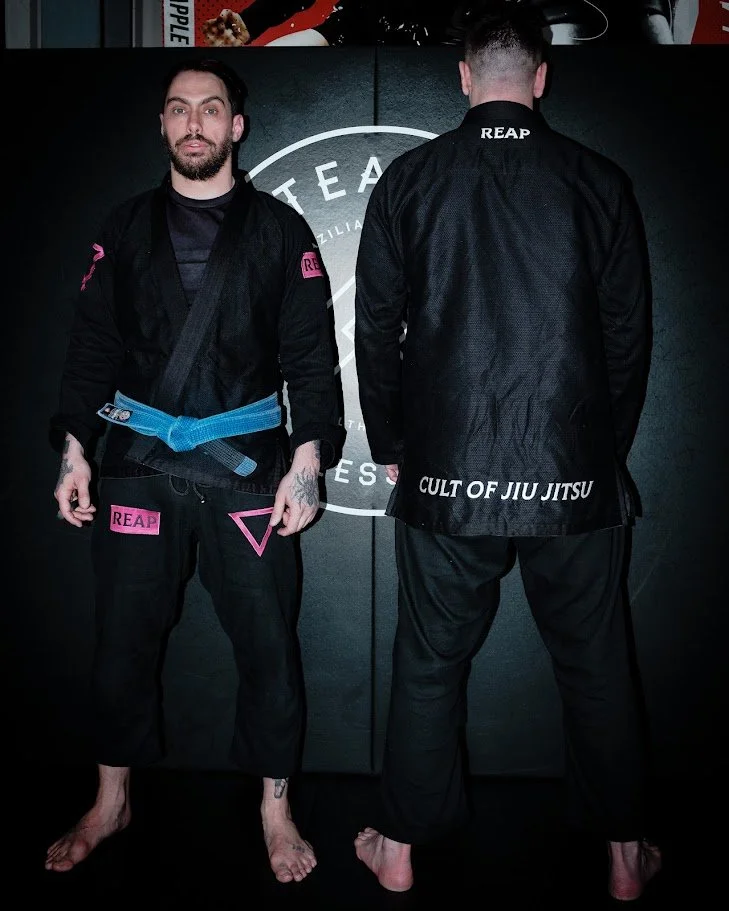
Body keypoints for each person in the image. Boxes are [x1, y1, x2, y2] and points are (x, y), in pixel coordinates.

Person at [353, 1, 661, 901]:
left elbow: (374, 331)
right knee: (596, 663)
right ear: (540, 76)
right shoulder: (597, 181)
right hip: (572, 469)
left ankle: (398, 847)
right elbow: (628, 337)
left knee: (427, 661)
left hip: (446, 471)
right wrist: (600, 449)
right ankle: (624, 855)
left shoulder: (410, 180)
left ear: (461, 77)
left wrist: (394, 443)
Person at [46, 57, 342, 884]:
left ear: (235, 126)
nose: (194, 123)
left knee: (268, 645)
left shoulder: (280, 230)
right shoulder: (124, 226)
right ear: (163, 124)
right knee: (121, 643)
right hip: (136, 463)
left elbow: (310, 357)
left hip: (247, 471)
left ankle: (274, 807)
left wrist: (308, 459)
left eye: (210, 109)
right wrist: (73, 448)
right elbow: (90, 349)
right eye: (179, 109)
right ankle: (111, 799)